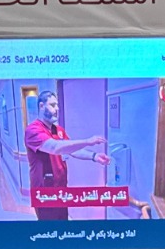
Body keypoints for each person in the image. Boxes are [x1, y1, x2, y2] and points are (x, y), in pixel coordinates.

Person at [24, 89, 112, 221]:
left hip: (61, 190)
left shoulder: (58, 130)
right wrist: (87, 141)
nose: (57, 109)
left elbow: (71, 150)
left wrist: (94, 156)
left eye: (57, 105)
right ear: (41, 106)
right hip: (44, 194)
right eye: (52, 105)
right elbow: (54, 147)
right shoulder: (33, 130)